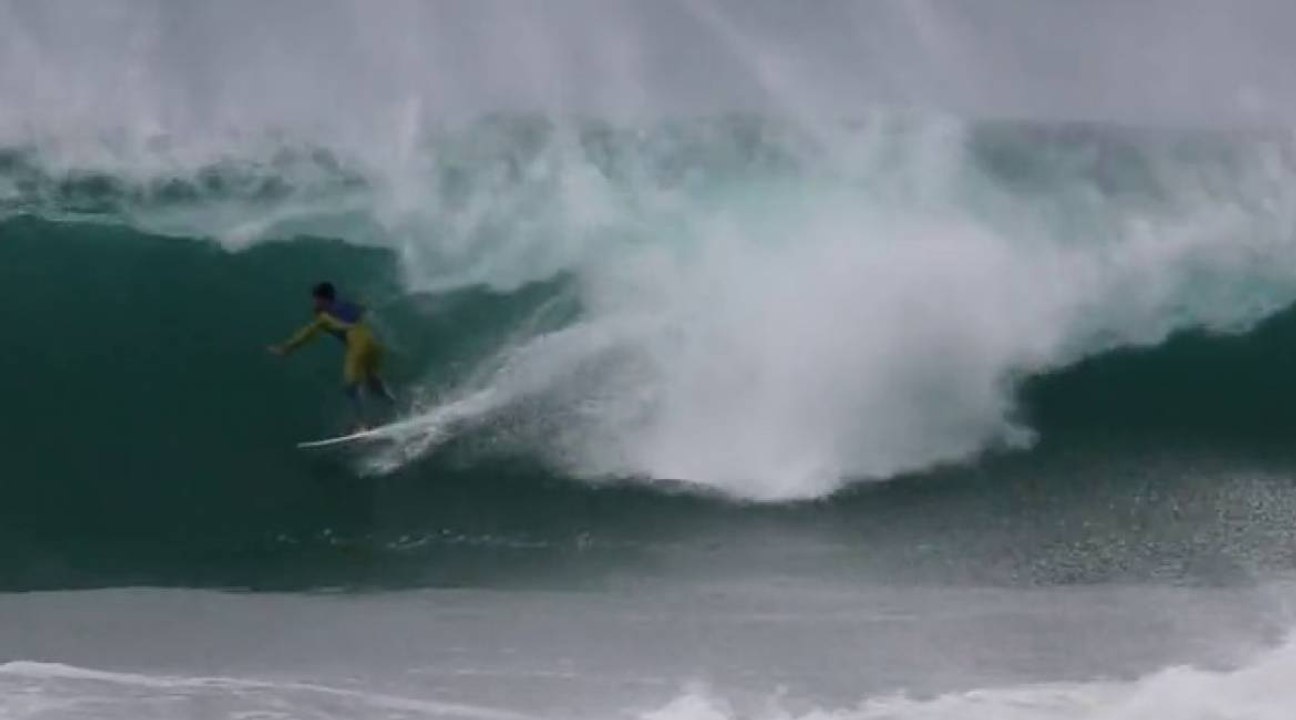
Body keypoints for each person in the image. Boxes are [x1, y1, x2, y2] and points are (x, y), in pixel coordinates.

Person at [269, 282, 395, 431]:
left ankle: (362, 423)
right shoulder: (348, 304)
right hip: (374, 344)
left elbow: (307, 333)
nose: (314, 302)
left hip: (358, 344)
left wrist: (286, 348)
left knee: (351, 385)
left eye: (316, 299)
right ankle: (394, 405)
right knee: (373, 382)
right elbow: (365, 309)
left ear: (323, 299)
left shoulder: (324, 317)